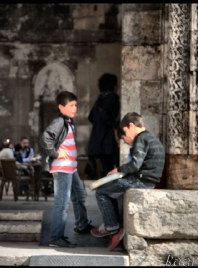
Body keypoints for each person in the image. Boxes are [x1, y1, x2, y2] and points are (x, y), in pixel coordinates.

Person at [90, 112, 165, 251]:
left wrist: (118, 170)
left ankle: (113, 229)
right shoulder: (152, 138)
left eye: (124, 134)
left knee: (101, 192)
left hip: (141, 182)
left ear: (130, 126)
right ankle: (112, 224)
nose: (124, 140)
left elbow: (135, 165)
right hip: (148, 181)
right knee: (111, 189)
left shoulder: (140, 139)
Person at [39, 91, 93, 248]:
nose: (75, 108)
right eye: (71, 105)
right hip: (62, 168)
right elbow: (45, 138)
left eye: (76, 105)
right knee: (62, 203)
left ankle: (81, 225)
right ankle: (56, 237)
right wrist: (55, 153)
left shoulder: (69, 122)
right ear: (61, 107)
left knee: (80, 196)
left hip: (71, 167)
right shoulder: (59, 122)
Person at [87, 73, 120, 178]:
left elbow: (91, 117)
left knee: (105, 167)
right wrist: (114, 125)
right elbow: (108, 117)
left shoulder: (100, 98)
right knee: (111, 166)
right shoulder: (113, 98)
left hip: (97, 138)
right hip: (108, 138)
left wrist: (99, 124)